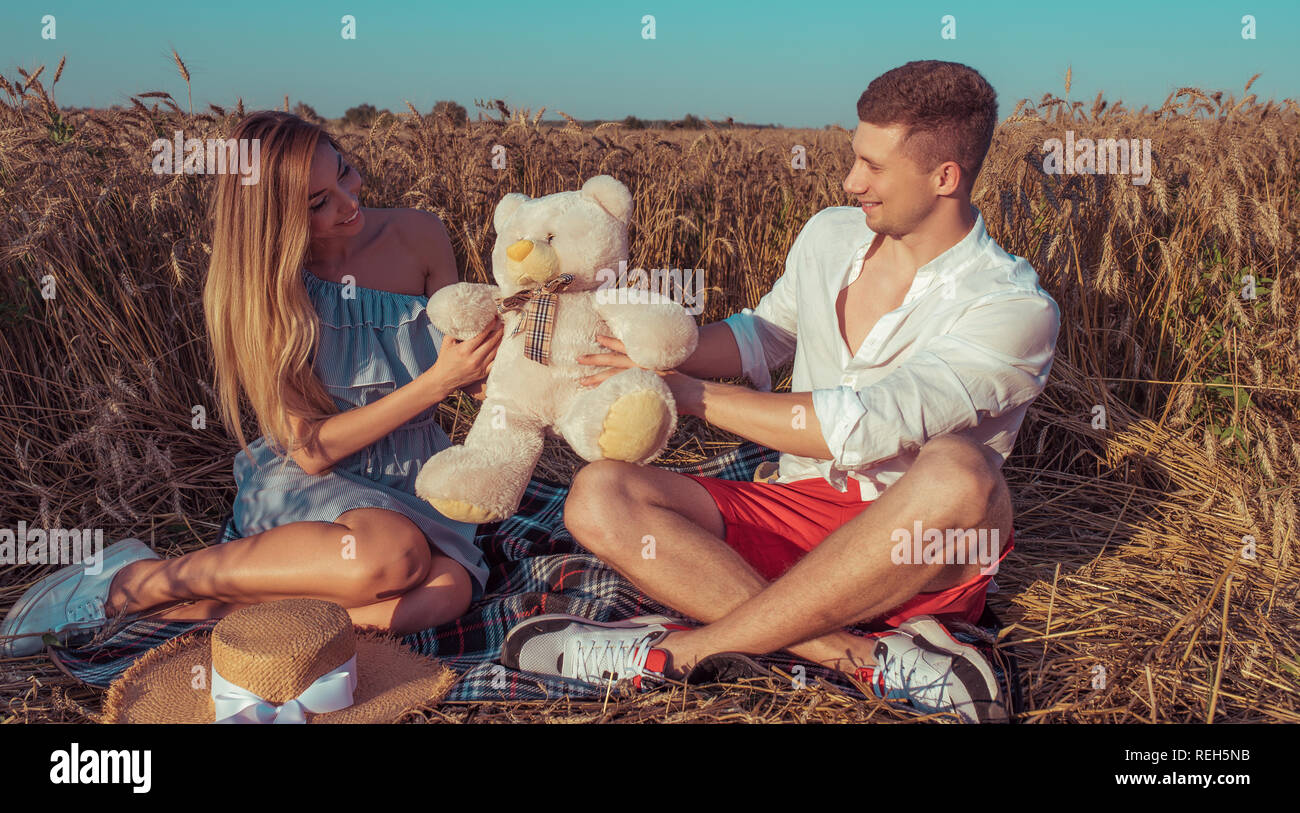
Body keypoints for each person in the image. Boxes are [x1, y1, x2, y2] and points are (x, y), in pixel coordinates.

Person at [501, 61, 1061, 722]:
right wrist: (641, 343)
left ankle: (675, 655)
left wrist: (689, 394)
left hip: (915, 546)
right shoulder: (830, 234)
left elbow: (862, 427)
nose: (853, 182)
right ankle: (854, 657)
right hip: (795, 507)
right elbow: (761, 336)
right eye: (855, 158)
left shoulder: (1013, 306)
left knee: (960, 472)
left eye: (873, 168)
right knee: (598, 494)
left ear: (945, 177)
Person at [1, 111, 505, 657]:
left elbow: (464, 360)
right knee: (393, 557)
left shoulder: (421, 234)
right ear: (273, 217)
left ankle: (194, 614)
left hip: (416, 470)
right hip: (315, 479)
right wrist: (436, 383)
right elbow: (310, 451)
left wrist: (509, 357)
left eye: (345, 172)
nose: (348, 200)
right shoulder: (269, 294)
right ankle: (138, 581)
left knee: (445, 594)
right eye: (318, 202)